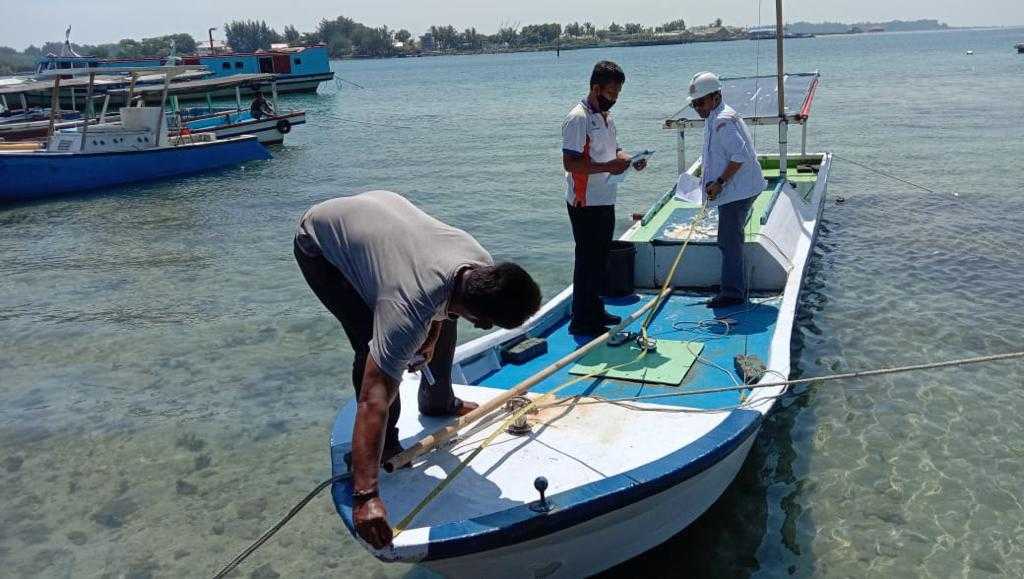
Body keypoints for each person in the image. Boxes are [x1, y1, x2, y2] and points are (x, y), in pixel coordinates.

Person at [293, 190, 541, 549]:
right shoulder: (405, 308)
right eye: (485, 323)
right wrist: (366, 498)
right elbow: (373, 397)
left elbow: (446, 303)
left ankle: (437, 401)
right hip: (319, 244)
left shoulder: (479, 265)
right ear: (483, 320)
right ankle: (385, 445)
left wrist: (433, 332)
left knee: (438, 320)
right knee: (370, 346)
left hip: (379, 215)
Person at [561, 60, 647, 336]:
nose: (615, 99)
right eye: (611, 93)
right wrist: (607, 167)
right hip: (584, 201)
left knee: (599, 260)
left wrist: (628, 159)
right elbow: (571, 163)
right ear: (595, 87)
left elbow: (614, 150)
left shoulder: (606, 118)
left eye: (618, 94)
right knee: (587, 260)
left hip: (606, 196)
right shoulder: (578, 118)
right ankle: (582, 319)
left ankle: (594, 310)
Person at [687, 71, 768, 308]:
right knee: (728, 238)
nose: (698, 108)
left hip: (738, 191)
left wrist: (720, 182)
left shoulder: (723, 120)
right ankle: (733, 285)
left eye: (700, 102)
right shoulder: (715, 117)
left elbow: (740, 155)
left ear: (715, 97)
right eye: (694, 104)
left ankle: (733, 293)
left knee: (729, 240)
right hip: (736, 189)